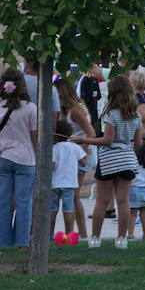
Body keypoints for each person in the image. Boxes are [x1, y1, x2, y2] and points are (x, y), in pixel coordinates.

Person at [76, 73, 145, 249]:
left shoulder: (110, 113)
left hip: (108, 160)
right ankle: (121, 239)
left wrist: (84, 140)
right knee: (123, 202)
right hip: (127, 160)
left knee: (101, 201)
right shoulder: (135, 116)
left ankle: (95, 239)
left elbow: (107, 140)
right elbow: (138, 144)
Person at [0, 68, 37, 251]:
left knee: (1, 202)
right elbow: (34, 137)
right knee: (24, 202)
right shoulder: (30, 108)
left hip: (3, 157)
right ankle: (22, 242)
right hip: (26, 159)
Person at [54, 77, 96, 236]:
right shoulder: (62, 111)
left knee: (74, 196)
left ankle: (83, 233)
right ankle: (78, 232)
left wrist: (78, 151)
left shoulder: (75, 111)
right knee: (72, 196)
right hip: (71, 154)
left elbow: (91, 133)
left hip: (81, 154)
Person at [49, 118, 87, 237]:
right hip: (70, 184)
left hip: (54, 184)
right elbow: (84, 163)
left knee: (52, 210)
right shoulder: (74, 147)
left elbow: (52, 165)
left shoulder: (53, 148)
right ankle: (69, 234)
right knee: (68, 210)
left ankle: (49, 235)